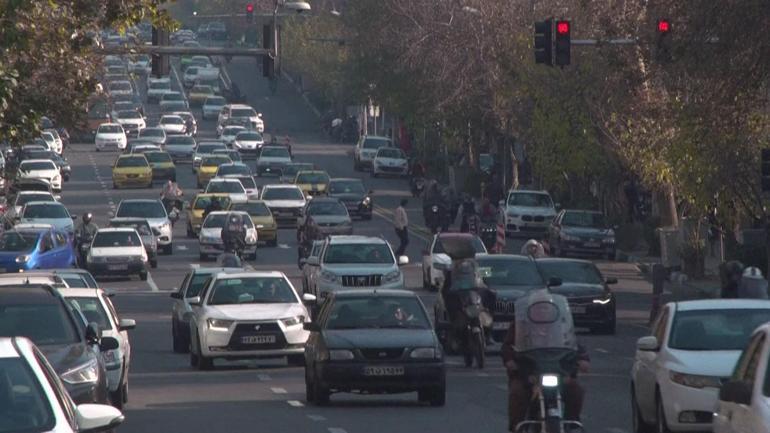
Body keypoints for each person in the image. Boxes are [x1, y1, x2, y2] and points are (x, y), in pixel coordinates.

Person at [502, 291, 590, 432]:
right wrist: (510, 360)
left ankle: (572, 422)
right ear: (531, 308)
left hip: (559, 373)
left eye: (546, 307)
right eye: (538, 307)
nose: (542, 310)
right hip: (528, 373)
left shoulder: (561, 325)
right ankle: (516, 427)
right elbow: (507, 346)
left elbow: (574, 344)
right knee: (517, 392)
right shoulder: (520, 325)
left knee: (576, 390)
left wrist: (583, 359)